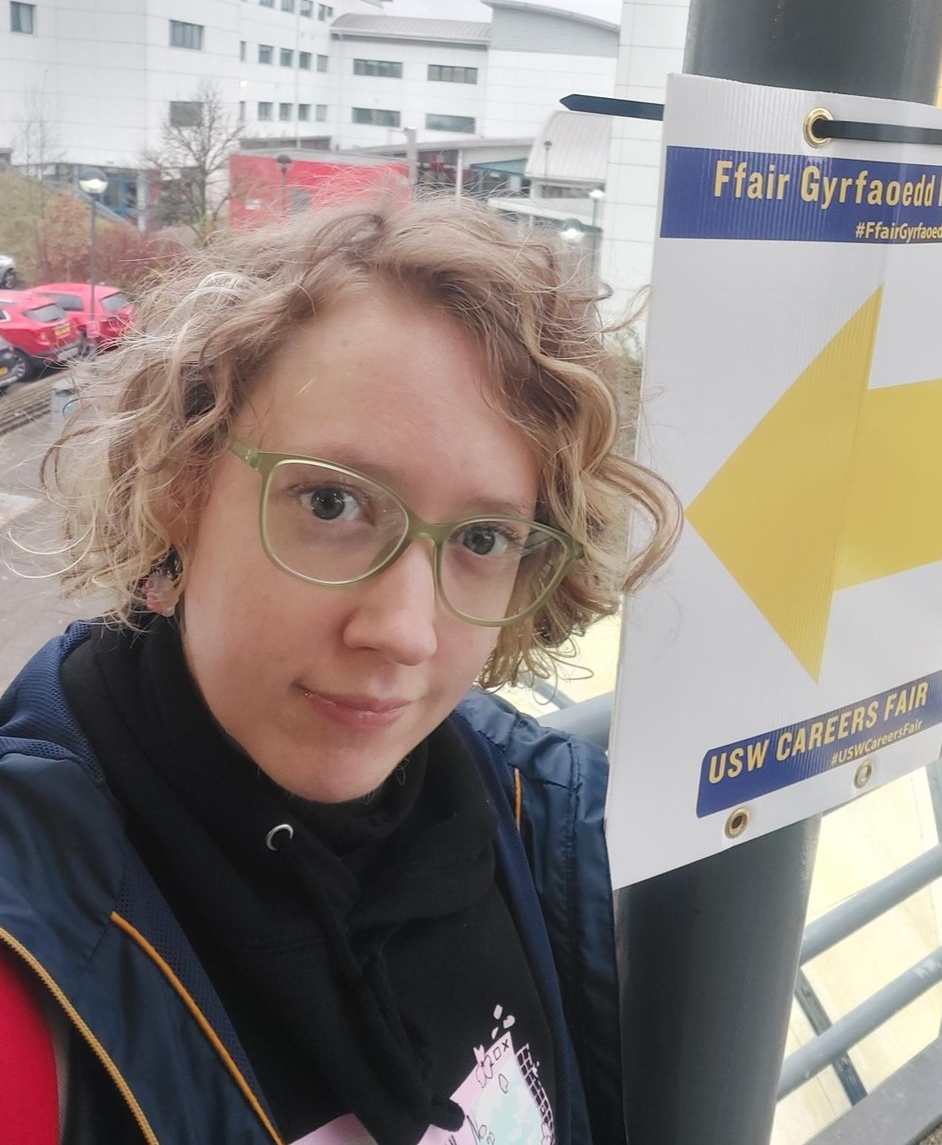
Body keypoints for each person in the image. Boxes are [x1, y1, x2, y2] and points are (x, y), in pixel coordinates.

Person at [0, 195, 681, 1145]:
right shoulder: (28, 952)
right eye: (331, 503)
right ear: (179, 491)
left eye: (483, 537)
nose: (405, 631)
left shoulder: (530, 816)